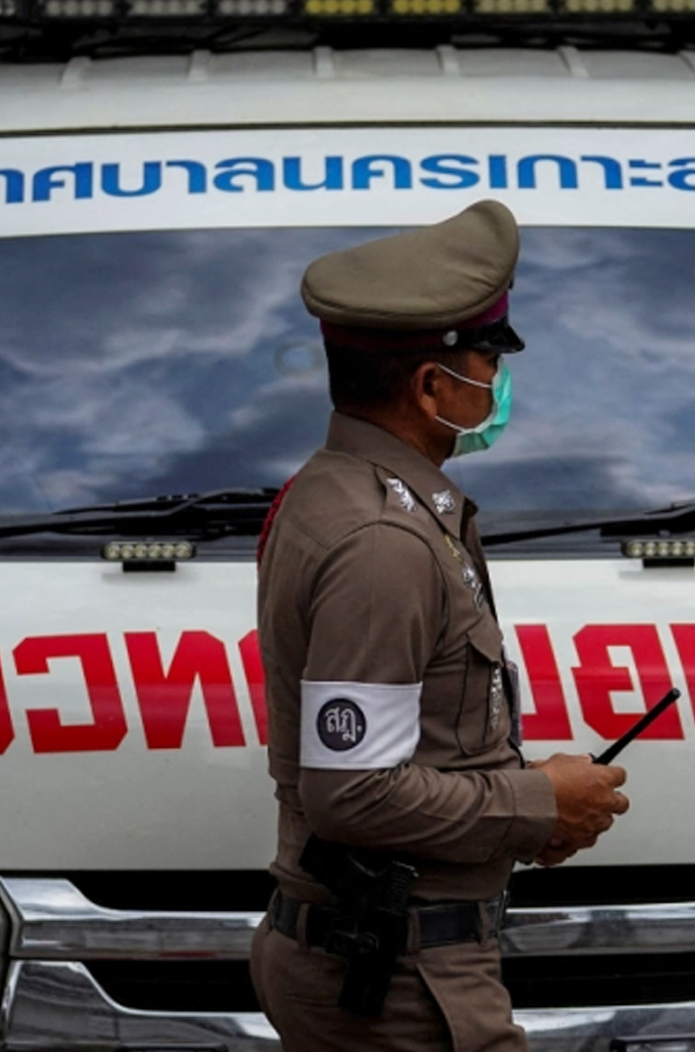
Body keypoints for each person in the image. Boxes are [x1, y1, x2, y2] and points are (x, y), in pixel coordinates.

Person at [250, 200, 632, 1052]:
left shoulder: (340, 488)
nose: (495, 386)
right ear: (432, 385)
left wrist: (532, 812)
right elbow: (353, 791)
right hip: (405, 985)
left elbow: (408, 748)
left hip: (396, 959)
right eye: (486, 362)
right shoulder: (385, 540)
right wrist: (540, 802)